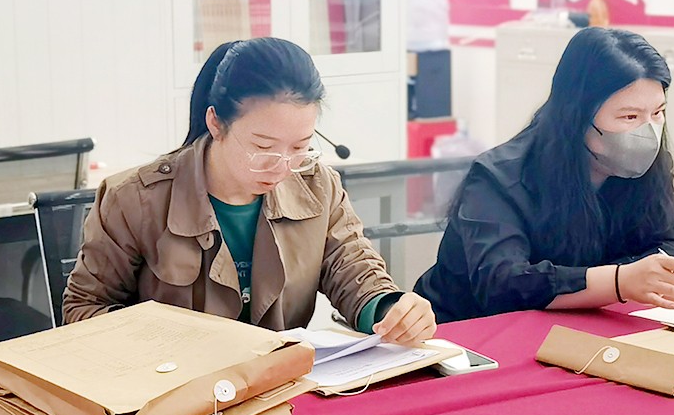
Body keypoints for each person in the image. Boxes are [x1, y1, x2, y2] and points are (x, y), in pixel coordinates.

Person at [63, 38, 436, 343]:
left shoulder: (318, 187)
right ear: (216, 123)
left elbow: (353, 271)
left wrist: (390, 310)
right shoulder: (135, 199)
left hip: (282, 388)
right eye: (262, 147)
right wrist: (158, 348)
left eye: (300, 147)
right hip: (172, 393)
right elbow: (83, 309)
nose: (282, 166)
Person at [413, 27, 674, 321]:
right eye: (629, 116)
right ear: (577, 115)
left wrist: (626, 277)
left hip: (577, 322)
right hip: (465, 330)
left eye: (657, 113)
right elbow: (503, 284)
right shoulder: (498, 177)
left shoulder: (649, 166)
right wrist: (619, 280)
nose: (648, 131)